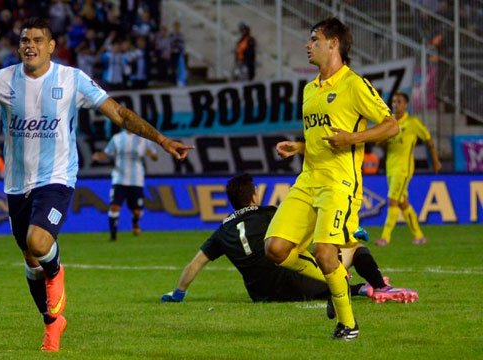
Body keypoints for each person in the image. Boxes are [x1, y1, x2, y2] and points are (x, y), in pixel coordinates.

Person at [0, 17, 193, 353]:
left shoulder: (72, 79)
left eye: (37, 39)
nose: (29, 45)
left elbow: (119, 114)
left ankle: (57, 268)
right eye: (24, 40)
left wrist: (162, 139)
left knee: (39, 243)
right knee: (30, 263)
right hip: (17, 183)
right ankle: (52, 323)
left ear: (52, 46)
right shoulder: (3, 81)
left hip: (57, 177)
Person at [263, 18, 399, 340]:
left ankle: (348, 325)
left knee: (325, 252)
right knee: (275, 249)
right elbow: (319, 137)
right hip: (308, 178)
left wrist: (352, 139)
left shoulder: (353, 84)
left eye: (314, 39)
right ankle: (338, 280)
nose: (308, 45)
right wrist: (299, 145)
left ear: (334, 43)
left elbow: (391, 125)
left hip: (340, 183)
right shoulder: (310, 89)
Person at [161, 174, 418, 306]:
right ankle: (377, 285)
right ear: (253, 196)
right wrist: (349, 229)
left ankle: (361, 289)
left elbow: (194, 265)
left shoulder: (222, 231)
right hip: (301, 284)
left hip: (262, 295)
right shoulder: (270, 213)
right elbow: (316, 225)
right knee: (353, 248)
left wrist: (178, 293)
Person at [376, 92, 441, 246]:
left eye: (399, 101)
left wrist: (436, 161)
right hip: (390, 167)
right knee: (402, 202)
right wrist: (382, 140)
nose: (395, 104)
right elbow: (380, 143)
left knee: (392, 200)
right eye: (393, 101)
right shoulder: (389, 122)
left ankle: (385, 238)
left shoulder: (413, 123)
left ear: (406, 104)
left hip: (403, 169)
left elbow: (429, 141)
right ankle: (419, 236)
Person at [92, 129, 159, 241]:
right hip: (119, 178)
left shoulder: (143, 139)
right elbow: (107, 153)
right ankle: (113, 235)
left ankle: (135, 222)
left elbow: (155, 157)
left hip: (136, 180)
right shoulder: (117, 138)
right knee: (114, 207)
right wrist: (99, 156)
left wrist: (151, 154)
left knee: (137, 211)